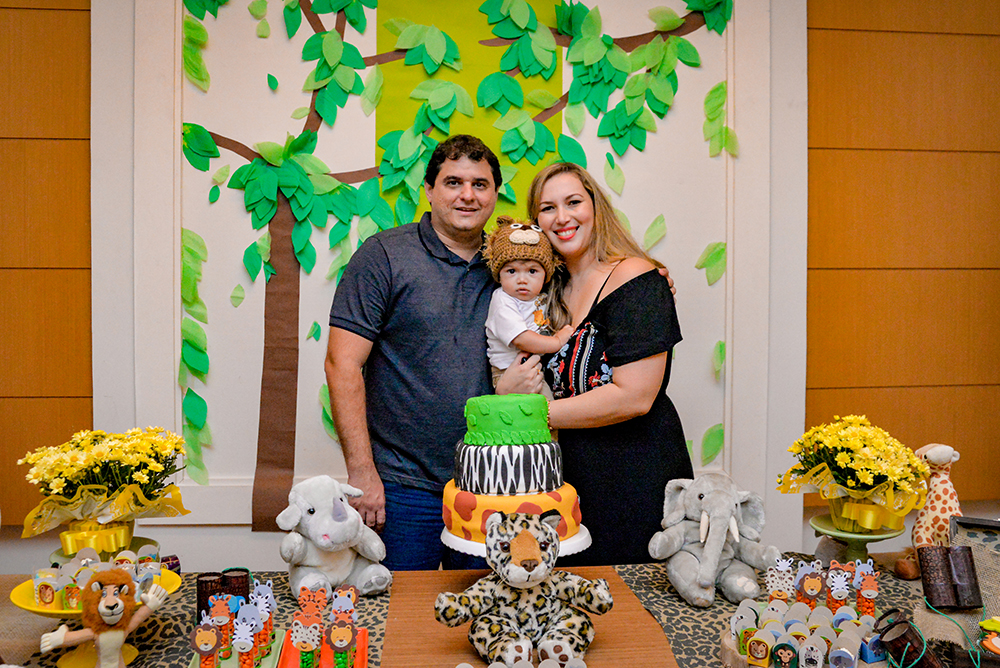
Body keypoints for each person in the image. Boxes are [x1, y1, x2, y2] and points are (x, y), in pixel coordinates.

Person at [325, 135, 506, 571]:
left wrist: (648, 271)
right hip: (402, 487)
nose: (467, 194)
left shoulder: (513, 261)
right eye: (453, 182)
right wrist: (362, 472)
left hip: (489, 483)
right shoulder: (385, 255)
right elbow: (341, 363)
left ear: (495, 194)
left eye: (480, 184)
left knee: (484, 619)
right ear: (428, 189)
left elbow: (586, 272)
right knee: (397, 618)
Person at [504, 162, 693, 566]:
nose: (562, 217)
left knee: (636, 612)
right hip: (570, 481)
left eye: (573, 202)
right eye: (547, 208)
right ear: (535, 222)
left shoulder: (636, 279)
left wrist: (529, 416)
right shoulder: (546, 293)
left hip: (635, 475)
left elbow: (635, 397)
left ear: (596, 207)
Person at [482, 216, 573, 394]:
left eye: (532, 271)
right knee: (543, 411)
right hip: (508, 373)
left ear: (545, 275)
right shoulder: (502, 301)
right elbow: (522, 339)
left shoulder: (542, 298)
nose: (522, 280)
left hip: (533, 368)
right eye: (511, 271)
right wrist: (557, 341)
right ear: (499, 275)